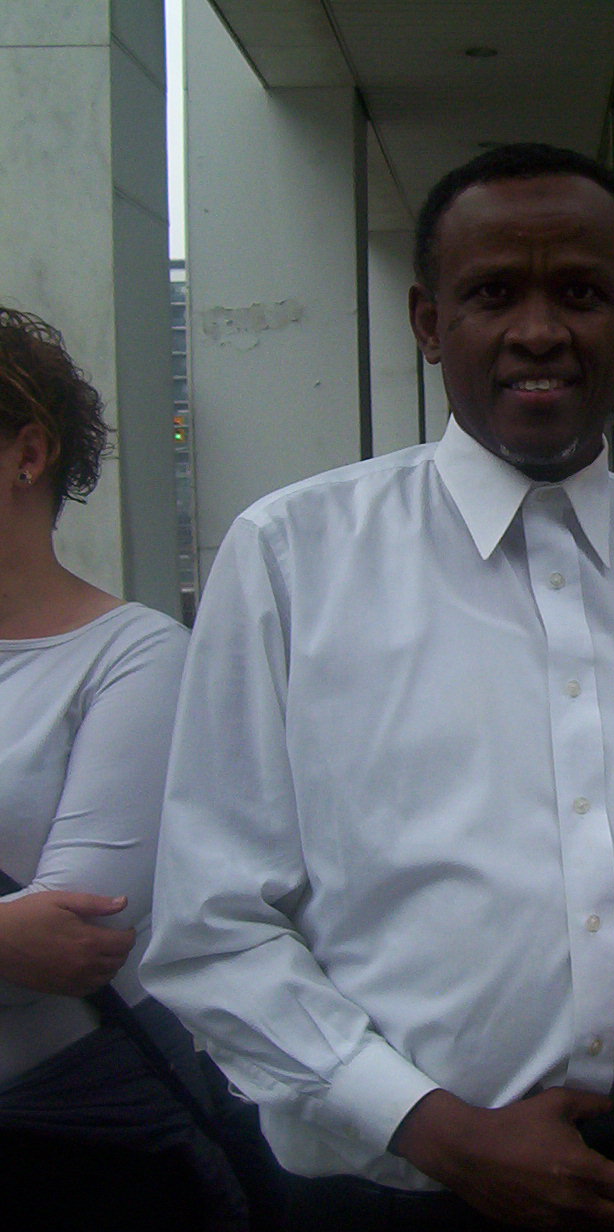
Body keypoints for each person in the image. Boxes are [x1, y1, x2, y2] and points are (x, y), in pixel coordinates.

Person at [143, 144, 614, 1231]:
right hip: (389, 1195)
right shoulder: (293, 559)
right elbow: (212, 925)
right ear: (430, 323)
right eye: (492, 293)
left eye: (579, 291)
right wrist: (435, 1125)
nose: (538, 329)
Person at [0, 305, 246, 1225]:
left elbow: (68, 940)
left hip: (69, 1150)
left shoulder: (135, 657)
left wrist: (20, 940)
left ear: (30, 452)